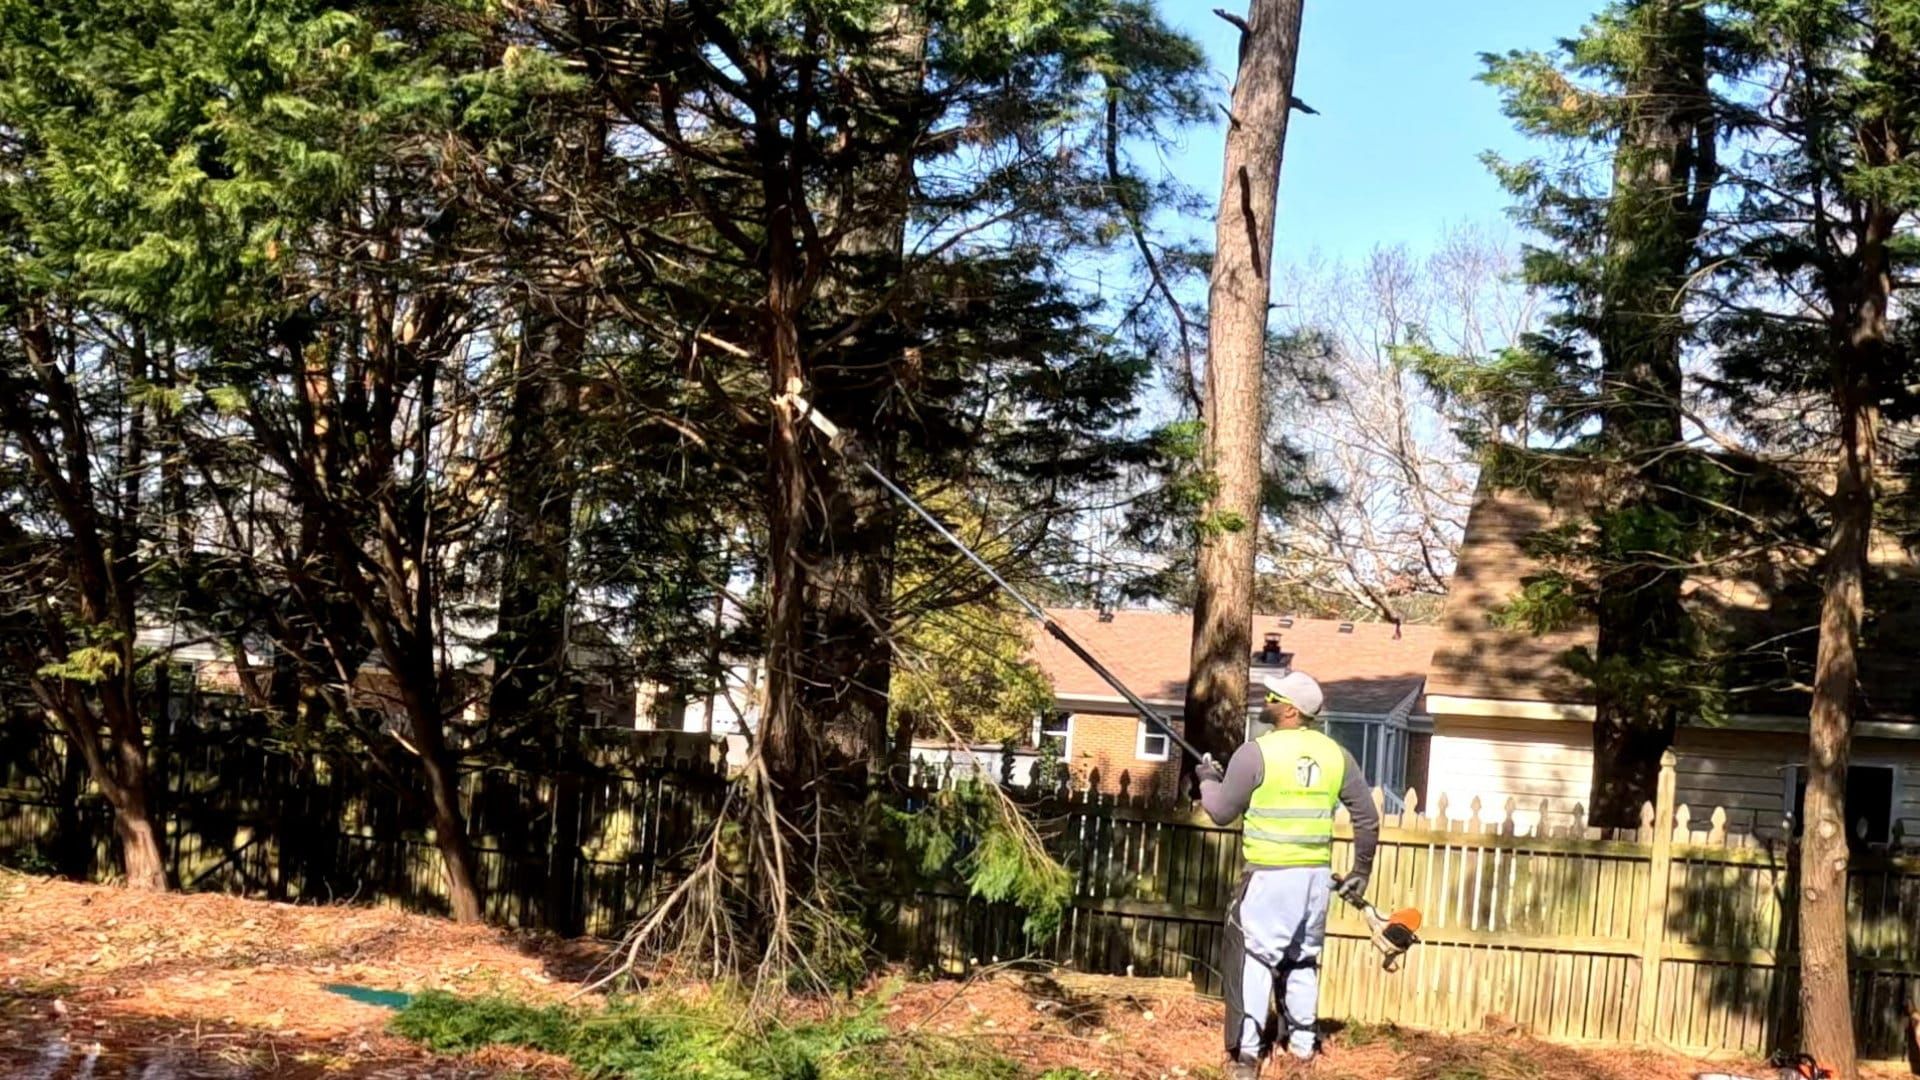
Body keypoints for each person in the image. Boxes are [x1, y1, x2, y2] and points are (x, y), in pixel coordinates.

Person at [1197, 670, 1380, 1076]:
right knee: (1301, 961)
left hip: (1268, 877)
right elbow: (1367, 817)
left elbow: (1222, 812)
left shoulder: (1255, 753)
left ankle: (1246, 1058)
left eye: (1274, 697)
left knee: (1253, 960)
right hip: (1314, 881)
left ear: (1292, 711)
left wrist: (1208, 780)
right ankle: (1301, 1050)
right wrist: (1361, 871)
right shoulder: (1336, 755)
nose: (1265, 700)